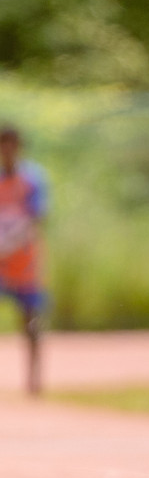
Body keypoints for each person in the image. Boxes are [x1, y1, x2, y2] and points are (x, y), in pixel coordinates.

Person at [0, 126, 46, 396]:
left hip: (23, 260)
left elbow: (37, 217)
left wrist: (11, 243)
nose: (8, 150)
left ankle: (34, 381)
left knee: (31, 319)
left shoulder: (32, 179)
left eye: (12, 145)